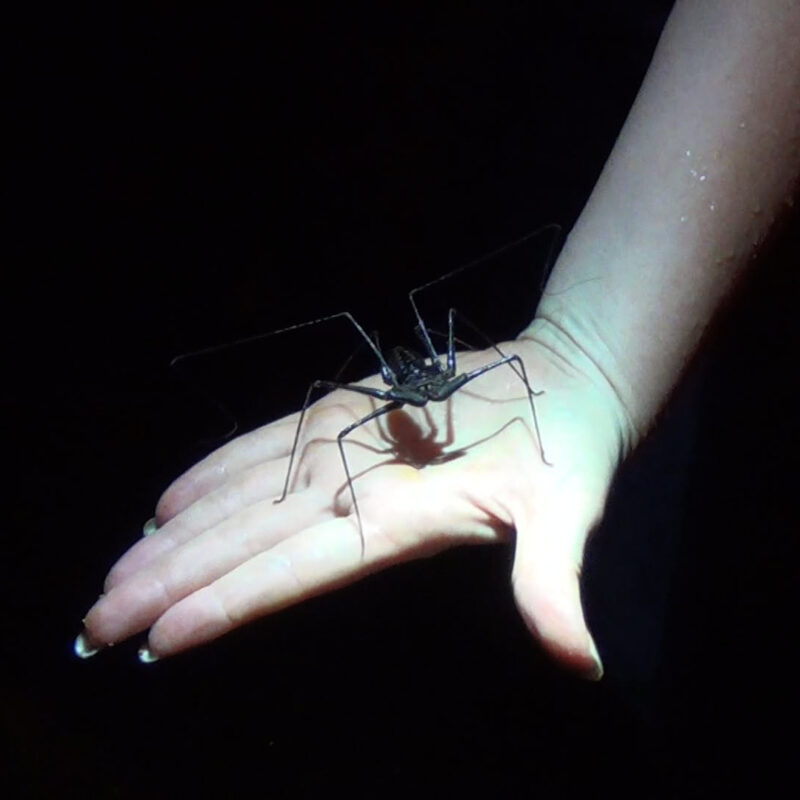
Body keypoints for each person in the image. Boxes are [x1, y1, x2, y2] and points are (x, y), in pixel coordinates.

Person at [75, 0, 800, 679]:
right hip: (414, 350)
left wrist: (583, 356)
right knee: (332, 379)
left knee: (437, 318)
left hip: (453, 353)